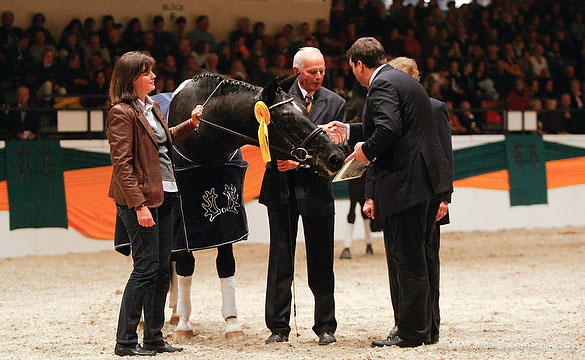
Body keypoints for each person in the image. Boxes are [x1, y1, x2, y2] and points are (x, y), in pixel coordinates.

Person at [344, 38, 450, 348]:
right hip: (425, 182)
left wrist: (365, 151)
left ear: (359, 64)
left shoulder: (381, 85)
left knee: (407, 260)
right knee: (417, 257)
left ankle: (411, 333)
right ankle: (424, 329)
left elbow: (388, 129)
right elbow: (398, 126)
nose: (354, 73)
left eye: (352, 68)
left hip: (407, 184)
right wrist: (350, 130)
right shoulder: (402, 80)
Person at [106, 51, 201, 356]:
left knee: (161, 269)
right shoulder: (121, 112)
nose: (154, 78)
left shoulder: (152, 107)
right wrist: (138, 206)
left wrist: (191, 124)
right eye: (147, 73)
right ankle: (125, 341)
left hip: (166, 194)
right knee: (145, 268)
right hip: (142, 201)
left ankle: (154, 337)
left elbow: (165, 140)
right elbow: (122, 165)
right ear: (131, 79)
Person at [259, 47, 346, 346]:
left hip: (317, 191)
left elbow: (339, 154)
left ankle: (325, 326)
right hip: (280, 189)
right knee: (280, 260)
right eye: (312, 71)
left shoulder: (336, 104)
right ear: (297, 72)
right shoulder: (274, 98)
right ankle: (278, 327)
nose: (319, 76)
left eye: (322, 70)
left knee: (322, 262)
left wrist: (302, 161)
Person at [388, 56, 454, 347]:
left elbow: (444, 155)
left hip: (428, 197)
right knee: (401, 263)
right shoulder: (392, 111)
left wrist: (444, 197)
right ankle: (405, 322)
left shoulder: (435, 108)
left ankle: (431, 324)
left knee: (427, 261)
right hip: (401, 196)